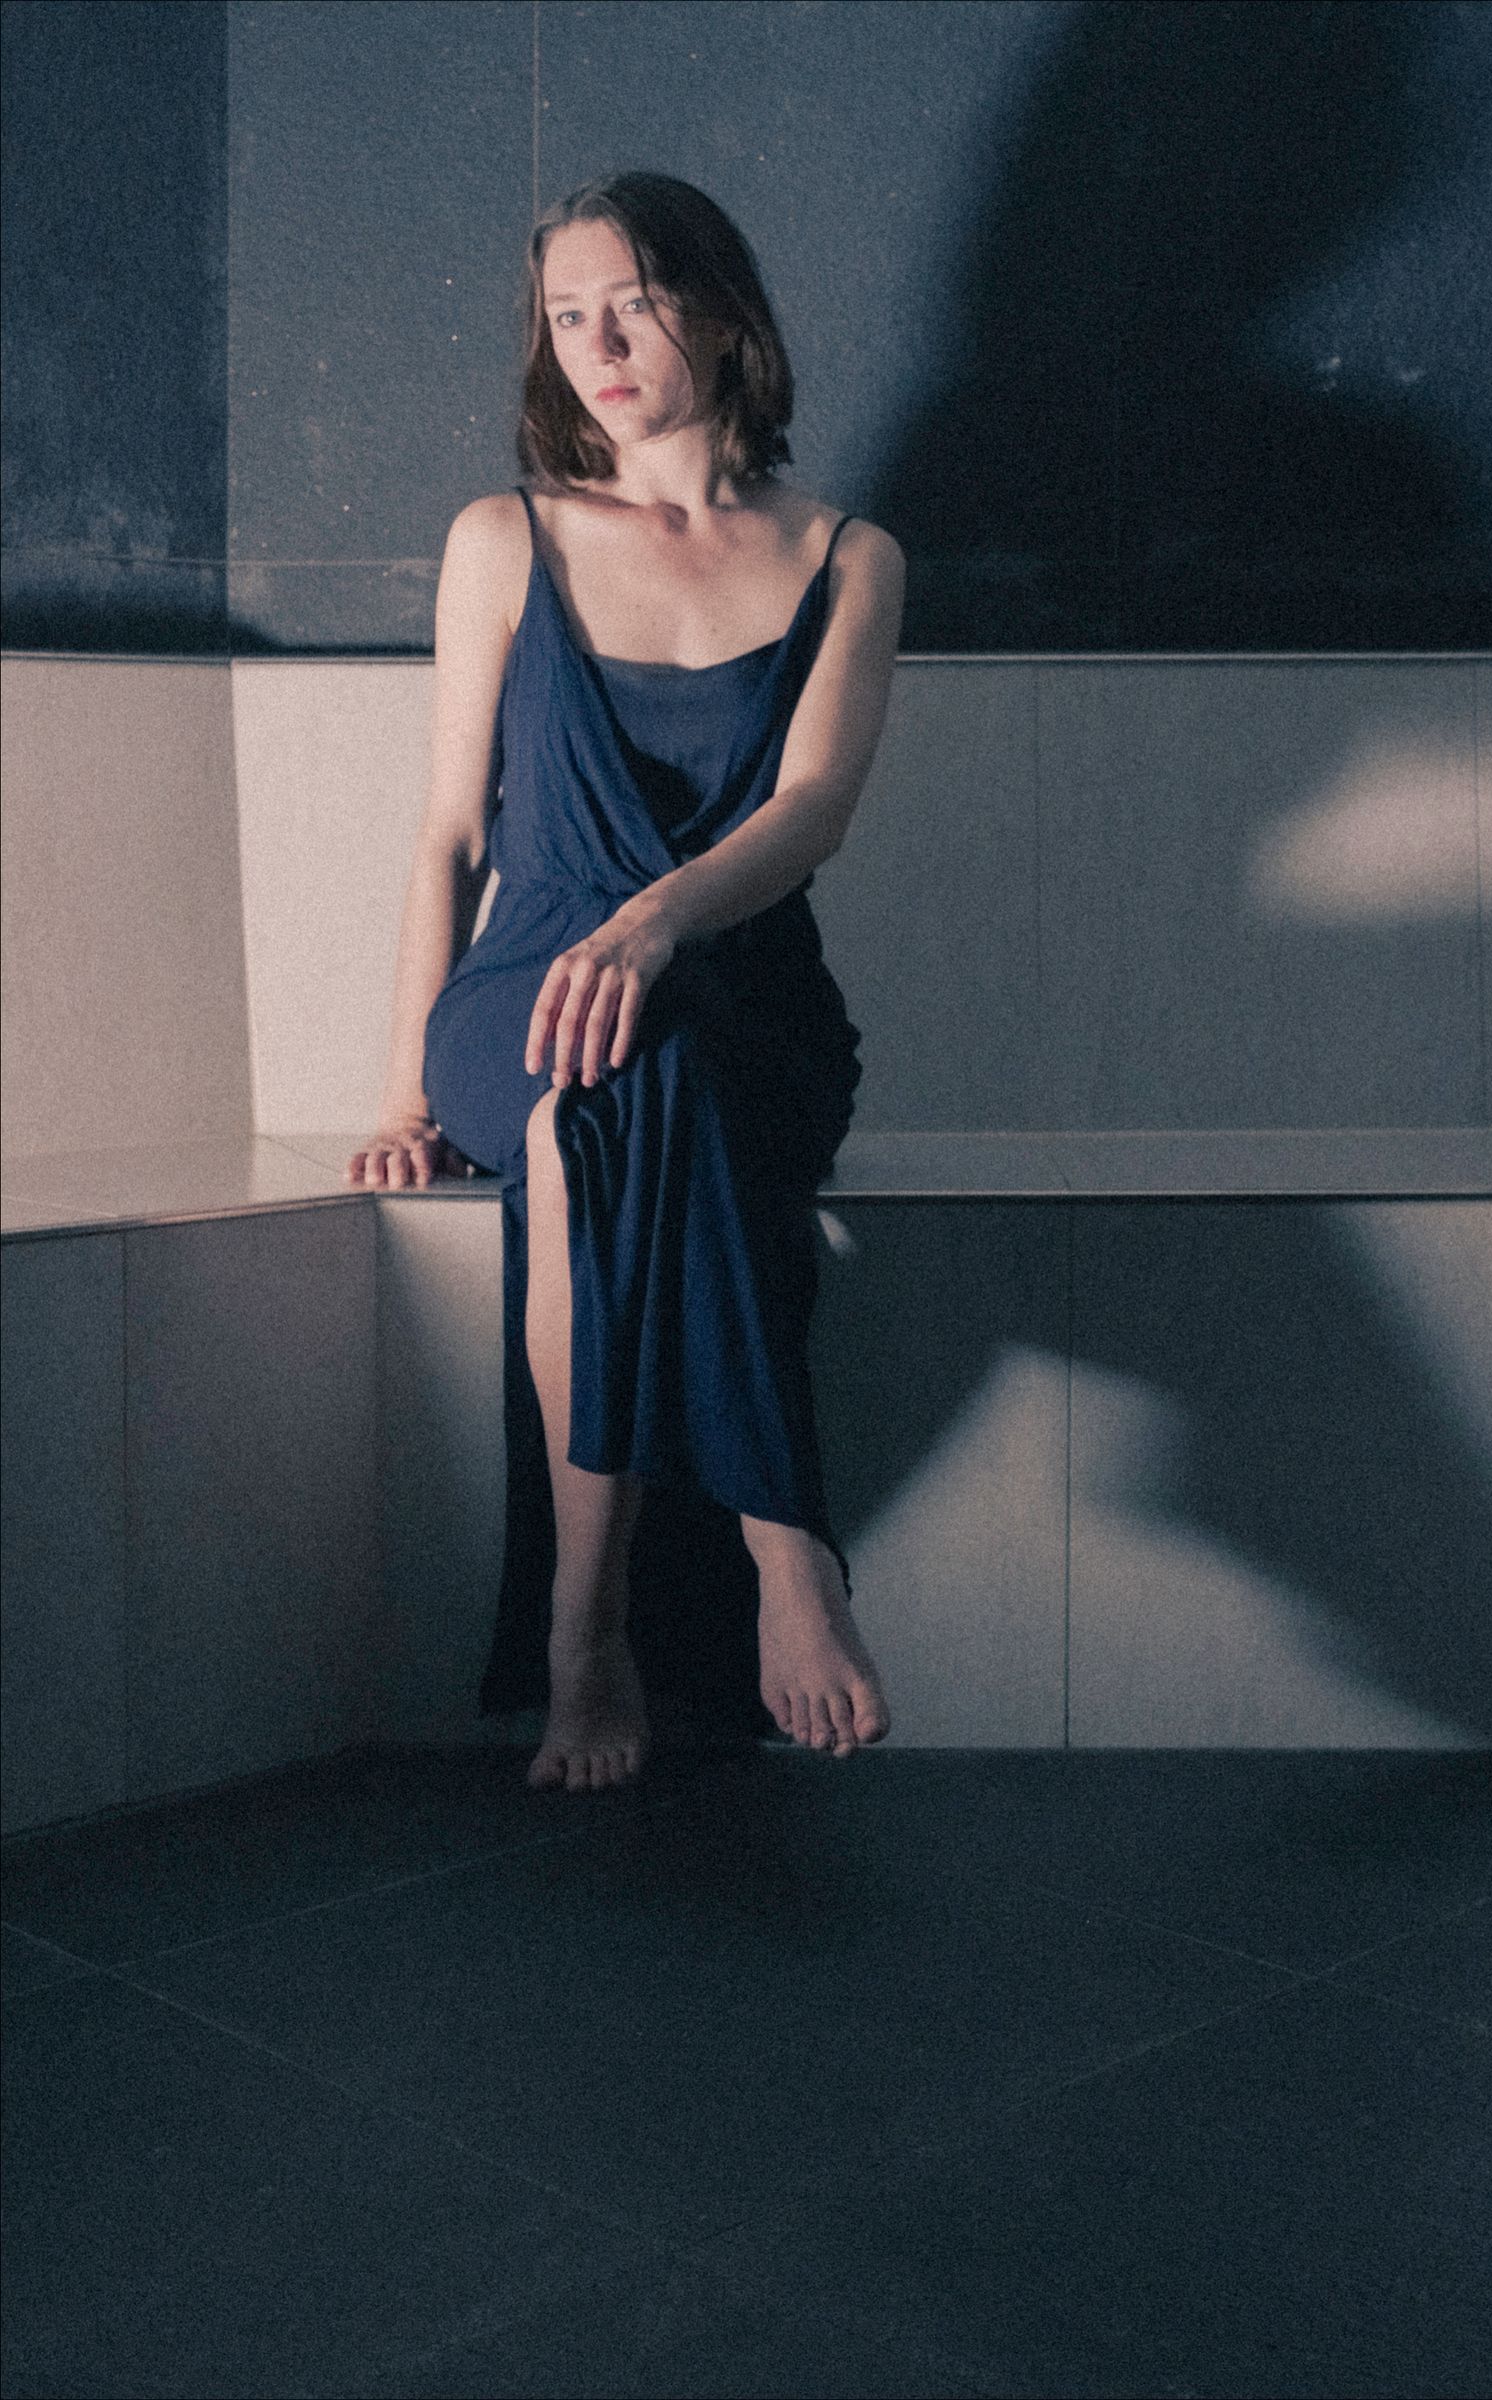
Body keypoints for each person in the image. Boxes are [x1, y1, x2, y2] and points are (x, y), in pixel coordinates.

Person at [346, 169, 902, 1794]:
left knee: (645, 1069)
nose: (594, 342)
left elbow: (812, 814)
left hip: (745, 992)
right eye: (564, 315)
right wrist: (397, 1095)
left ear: (723, 313)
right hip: (516, 999)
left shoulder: (849, 556)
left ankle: (582, 1633)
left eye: (631, 304)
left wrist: (660, 921)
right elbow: (452, 837)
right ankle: (784, 1547)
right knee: (605, 1071)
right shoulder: (502, 538)